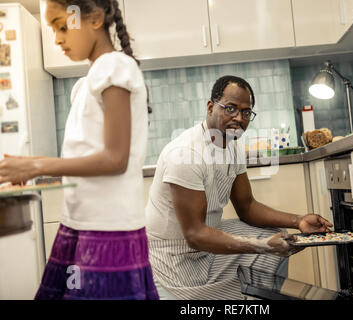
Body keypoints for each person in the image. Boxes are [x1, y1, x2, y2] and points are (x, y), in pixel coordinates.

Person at [0, 0, 159, 300]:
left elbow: (115, 159)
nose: (57, 38)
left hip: (108, 231)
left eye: (62, 26)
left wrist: (36, 167)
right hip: (81, 223)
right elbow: (84, 157)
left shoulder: (114, 67)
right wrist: (26, 165)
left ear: (96, 18)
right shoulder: (87, 84)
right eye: (53, 30)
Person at [145, 75, 333, 299]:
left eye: (246, 112)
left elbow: (247, 206)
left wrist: (298, 220)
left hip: (204, 247)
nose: (239, 118)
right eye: (231, 108)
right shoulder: (186, 155)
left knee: (280, 238)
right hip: (175, 258)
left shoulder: (232, 147)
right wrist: (261, 245)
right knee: (269, 245)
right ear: (210, 107)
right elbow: (194, 234)